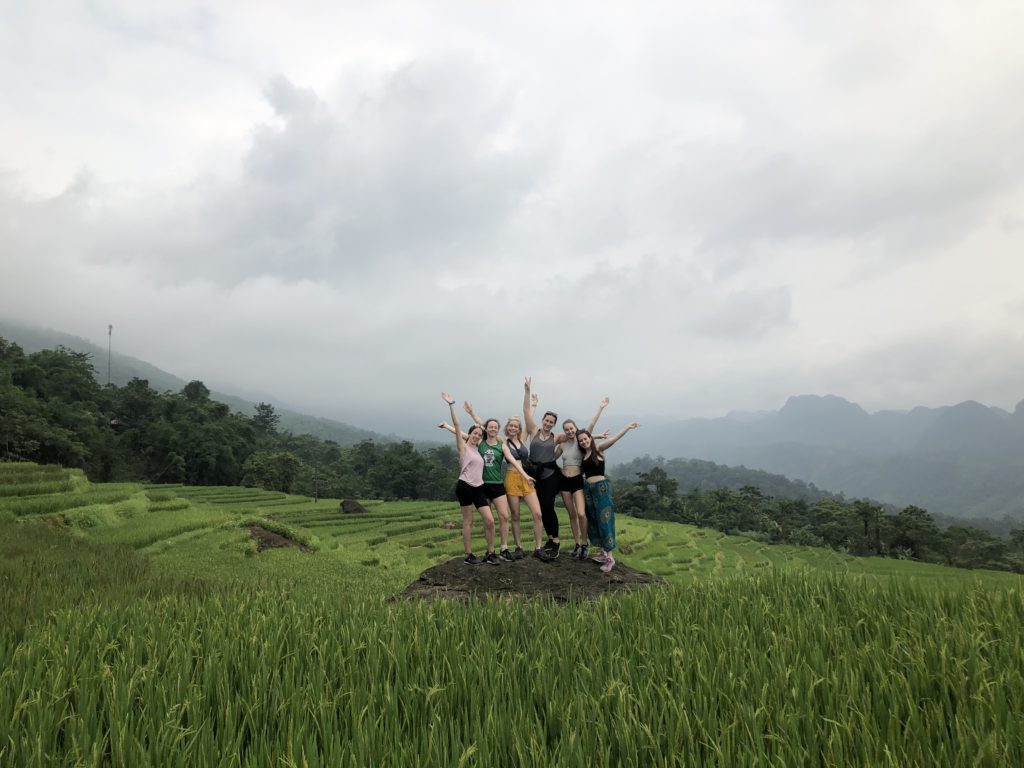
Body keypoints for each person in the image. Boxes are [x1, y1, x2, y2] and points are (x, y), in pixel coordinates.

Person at [441, 405, 537, 561]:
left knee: (504, 516)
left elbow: (512, 460)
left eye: (495, 427)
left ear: (498, 429)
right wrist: (447, 426)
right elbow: (463, 435)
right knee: (488, 520)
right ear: (487, 429)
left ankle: (504, 548)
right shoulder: (481, 443)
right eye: (490, 427)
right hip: (482, 485)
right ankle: (489, 551)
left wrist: (525, 476)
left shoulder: (502, 445)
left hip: (498, 484)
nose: (492, 429)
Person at [440, 392, 500, 565]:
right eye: (474, 434)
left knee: (489, 520)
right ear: (470, 434)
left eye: (479, 435)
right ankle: (468, 554)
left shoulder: (478, 449)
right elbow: (457, 426)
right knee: (468, 521)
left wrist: (474, 414)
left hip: (479, 487)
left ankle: (491, 552)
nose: (477, 436)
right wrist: (451, 405)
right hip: (465, 485)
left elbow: (488, 429)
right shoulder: (463, 448)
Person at [576, 421, 641, 573]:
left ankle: (610, 557)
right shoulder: (583, 455)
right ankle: (603, 553)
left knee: (604, 520)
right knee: (593, 520)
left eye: (586, 439)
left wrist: (627, 427)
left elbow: (615, 439)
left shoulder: (598, 448)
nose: (584, 442)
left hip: (601, 489)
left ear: (590, 439)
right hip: (588, 490)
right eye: (581, 440)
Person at [554, 398, 609, 561]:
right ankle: (577, 544)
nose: (569, 431)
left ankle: (585, 543)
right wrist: (558, 469)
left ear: (575, 428)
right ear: (564, 431)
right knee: (571, 514)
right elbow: (551, 458)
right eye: (566, 429)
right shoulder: (562, 445)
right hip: (564, 481)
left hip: (578, 480)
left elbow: (590, 427)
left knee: (581, 513)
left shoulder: (580, 442)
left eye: (571, 428)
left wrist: (600, 408)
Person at [522, 377, 563, 557]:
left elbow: (575, 435)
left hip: (550, 476)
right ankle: (549, 537)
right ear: (543, 420)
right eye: (546, 421)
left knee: (548, 506)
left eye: (551, 422)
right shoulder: (533, 431)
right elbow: (525, 411)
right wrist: (527, 391)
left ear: (554, 424)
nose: (548, 424)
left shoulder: (557, 436)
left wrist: (597, 435)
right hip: (533, 475)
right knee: (539, 510)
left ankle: (556, 541)